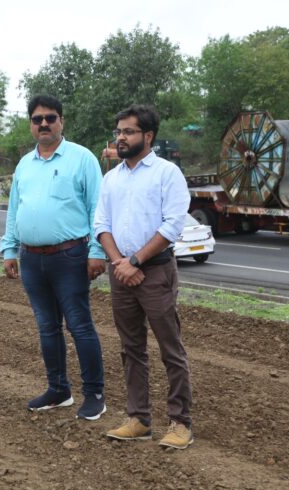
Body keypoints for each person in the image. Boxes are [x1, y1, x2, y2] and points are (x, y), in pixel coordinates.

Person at [0, 94, 107, 421]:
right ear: (31, 124)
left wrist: (97, 251)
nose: (43, 124)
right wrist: (9, 248)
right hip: (31, 259)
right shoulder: (24, 164)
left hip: (70, 257)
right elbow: (14, 209)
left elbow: (97, 208)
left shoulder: (82, 158)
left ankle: (95, 395)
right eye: (37, 119)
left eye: (50, 118)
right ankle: (58, 389)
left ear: (61, 121)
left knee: (79, 325)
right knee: (47, 327)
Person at [94, 105, 193, 449]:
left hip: (155, 272)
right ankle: (138, 419)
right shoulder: (111, 178)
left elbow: (172, 225)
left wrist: (135, 261)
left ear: (147, 136)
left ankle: (180, 422)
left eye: (128, 132)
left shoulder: (167, 174)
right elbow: (101, 225)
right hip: (120, 273)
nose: (120, 137)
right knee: (130, 348)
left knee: (171, 348)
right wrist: (120, 262)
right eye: (118, 132)